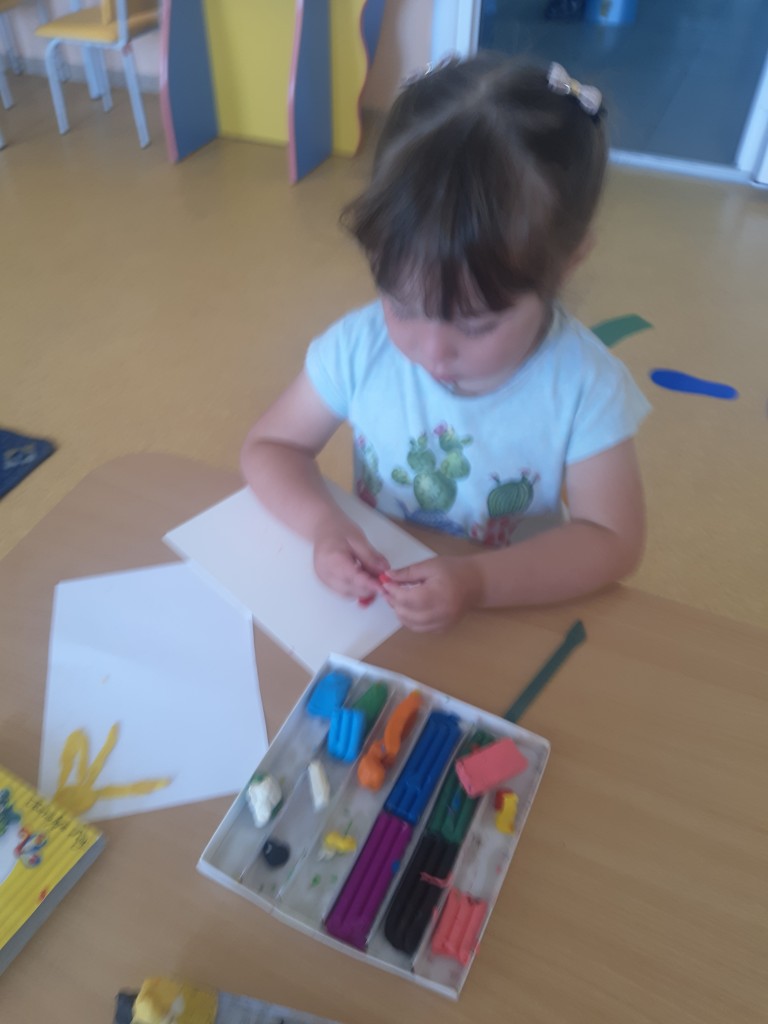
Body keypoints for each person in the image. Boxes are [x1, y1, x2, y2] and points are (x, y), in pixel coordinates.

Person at [241, 54, 650, 632]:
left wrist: (478, 582)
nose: (432, 354)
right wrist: (324, 526)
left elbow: (612, 540)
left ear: (566, 263)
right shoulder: (361, 347)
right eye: (402, 306)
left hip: (509, 608)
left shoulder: (585, 386)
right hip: (380, 616)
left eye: (477, 324)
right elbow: (271, 447)